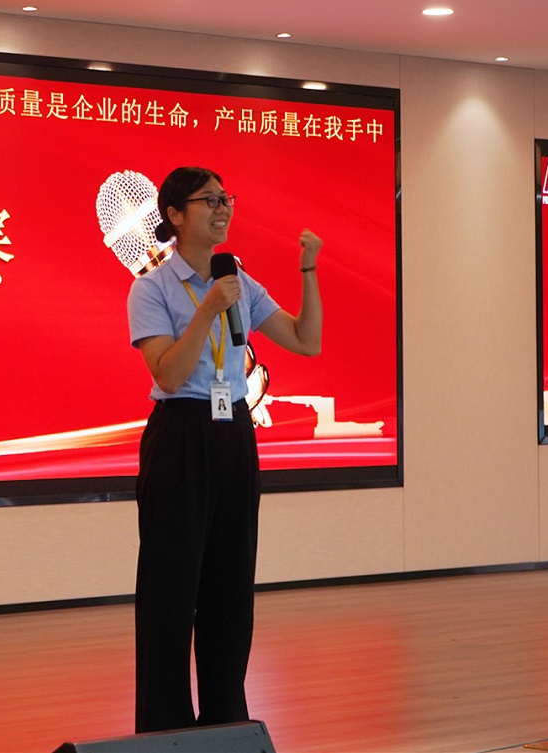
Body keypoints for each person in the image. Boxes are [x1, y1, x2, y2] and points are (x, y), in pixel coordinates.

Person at [126, 166, 323, 733]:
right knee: (171, 591)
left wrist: (309, 270)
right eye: (209, 200)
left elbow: (305, 340)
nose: (222, 208)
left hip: (233, 431)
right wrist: (209, 308)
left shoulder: (238, 280)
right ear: (174, 215)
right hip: (180, 435)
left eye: (226, 198)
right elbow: (168, 374)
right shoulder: (151, 288)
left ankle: (226, 723)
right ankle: (165, 729)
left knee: (231, 590)